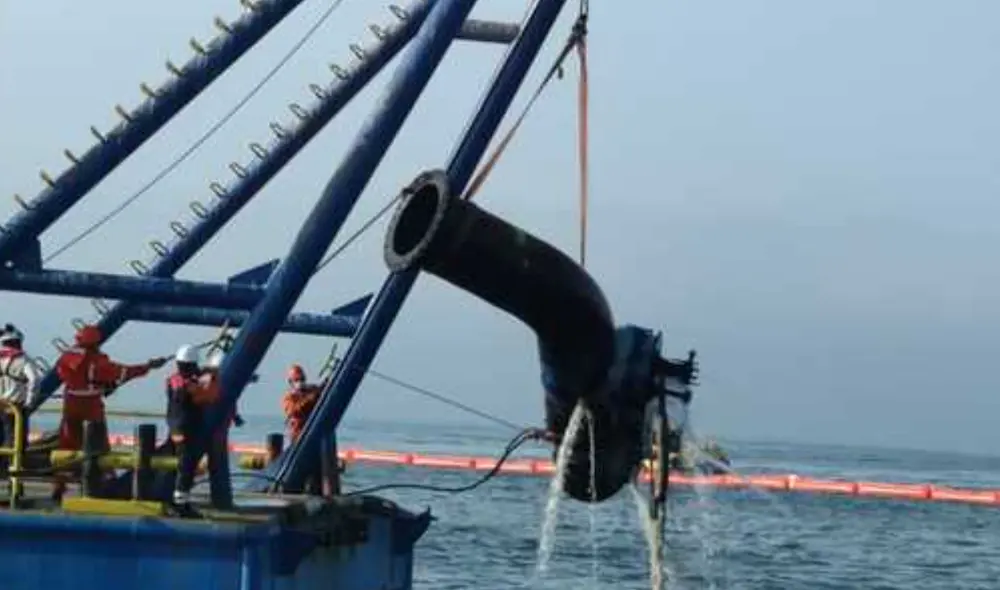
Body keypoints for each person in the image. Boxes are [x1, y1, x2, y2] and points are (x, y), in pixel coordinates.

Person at [52, 324, 167, 500]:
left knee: (66, 446)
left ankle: (59, 484)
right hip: (91, 407)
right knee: (100, 448)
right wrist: (147, 366)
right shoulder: (99, 362)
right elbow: (124, 372)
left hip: (70, 405)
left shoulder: (67, 358)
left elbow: (64, 374)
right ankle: (108, 482)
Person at [172, 347, 243, 505]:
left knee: (184, 467)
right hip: (188, 430)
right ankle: (181, 505)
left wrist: (204, 374)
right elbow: (210, 397)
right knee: (187, 468)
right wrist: (214, 376)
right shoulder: (188, 386)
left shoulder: (174, 380)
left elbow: (191, 382)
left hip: (176, 429)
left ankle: (180, 501)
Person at [0, 324, 39, 474]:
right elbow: (34, 380)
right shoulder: (23, 360)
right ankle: (13, 475)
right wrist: (30, 401)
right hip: (15, 407)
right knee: (16, 441)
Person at [282, 364, 326, 494]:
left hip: (314, 436)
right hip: (298, 438)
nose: (300, 382)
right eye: (297, 380)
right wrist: (311, 397)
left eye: (302, 379)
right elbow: (294, 411)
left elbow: (322, 393)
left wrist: (322, 388)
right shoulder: (288, 398)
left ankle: (317, 491)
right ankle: (294, 491)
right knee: (299, 467)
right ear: (291, 382)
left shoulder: (312, 390)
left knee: (317, 470)